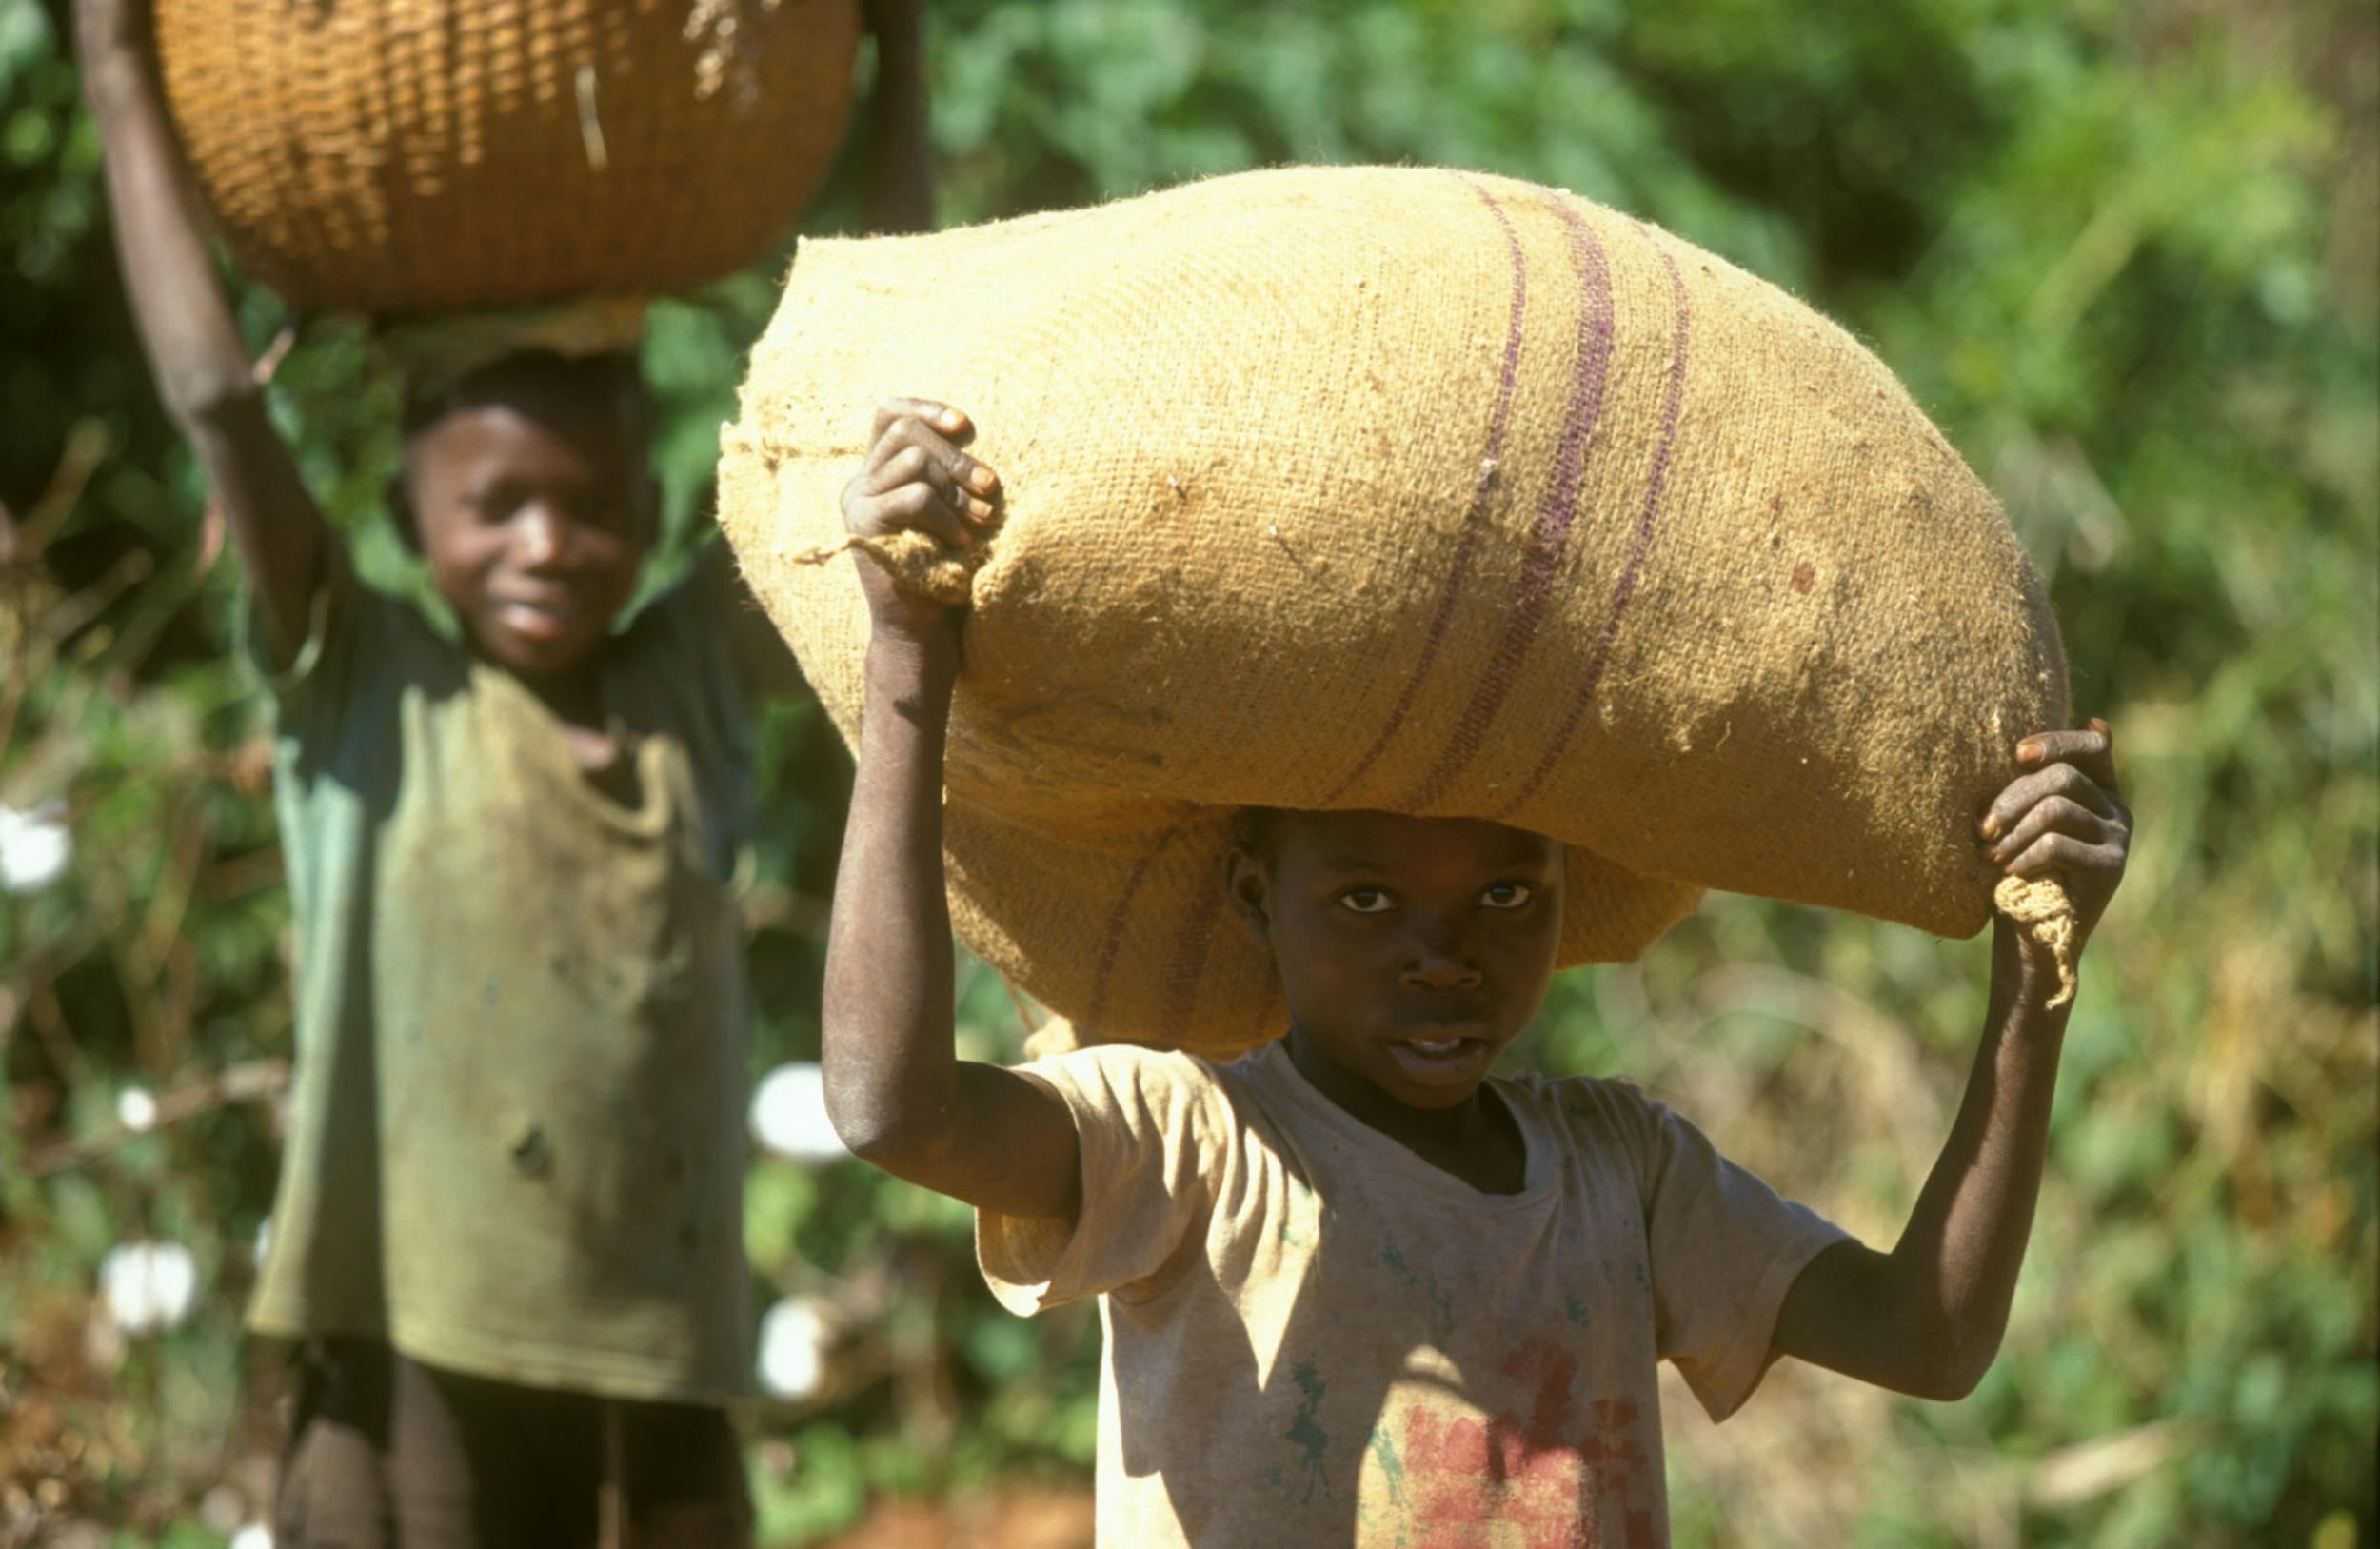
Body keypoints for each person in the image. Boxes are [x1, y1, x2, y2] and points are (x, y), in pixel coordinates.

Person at [820, 399, 2133, 1545]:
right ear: (1253, 896)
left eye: (1507, 895)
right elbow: (893, 1110)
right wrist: (907, 658)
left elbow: (1928, 1337)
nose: (1444, 959)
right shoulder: (1194, 1148)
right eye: (1367, 901)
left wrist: (2035, 972)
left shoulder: (1621, 1177)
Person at [76, 0, 930, 1539]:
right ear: (407, 521)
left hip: (657, 1363)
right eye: (495, 506)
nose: (549, 544)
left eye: (592, 505)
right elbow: (215, 399)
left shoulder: (687, 686)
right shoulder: (369, 685)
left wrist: (901, 58)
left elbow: (869, 380)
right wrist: (114, 65)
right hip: (413, 1352)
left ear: (655, 511)